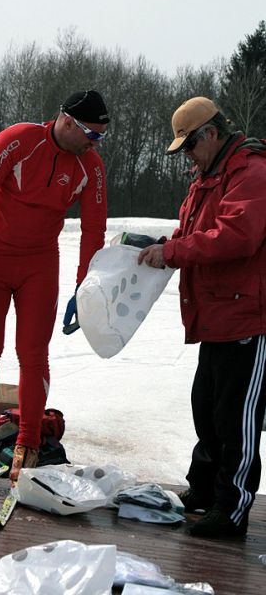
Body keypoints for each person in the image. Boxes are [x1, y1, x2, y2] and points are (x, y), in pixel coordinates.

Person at [0, 89, 109, 484]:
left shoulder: (90, 167)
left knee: (33, 352)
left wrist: (83, 286)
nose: (93, 144)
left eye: (99, 138)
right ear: (65, 120)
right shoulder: (19, 140)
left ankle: (27, 443)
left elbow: (94, 230)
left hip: (40, 263)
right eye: (89, 135)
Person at [138, 96, 266, 538]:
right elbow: (194, 233)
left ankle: (232, 511)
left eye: (189, 146)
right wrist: (160, 244)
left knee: (237, 419)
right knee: (206, 408)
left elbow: (235, 237)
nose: (187, 157)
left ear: (209, 134)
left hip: (249, 317)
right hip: (217, 313)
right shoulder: (209, 176)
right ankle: (206, 491)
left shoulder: (252, 172)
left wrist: (172, 252)